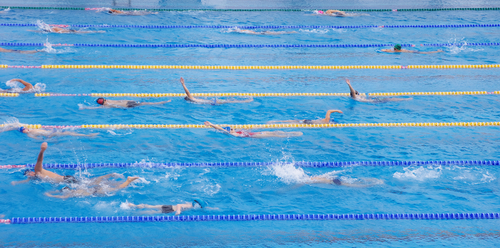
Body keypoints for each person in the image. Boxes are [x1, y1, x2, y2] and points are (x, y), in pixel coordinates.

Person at [10, 142, 114, 186]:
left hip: (67, 180)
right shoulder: (35, 177)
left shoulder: (37, 171)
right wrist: (16, 183)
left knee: (90, 184)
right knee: (90, 182)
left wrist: (42, 151)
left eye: (29, 174)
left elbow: (39, 162)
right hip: (66, 180)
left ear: (31, 172)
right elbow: (26, 180)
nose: (30, 175)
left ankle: (109, 177)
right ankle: (108, 177)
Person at [45, 176, 139, 199]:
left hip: (95, 191)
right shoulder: (74, 190)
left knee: (117, 189)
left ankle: (128, 180)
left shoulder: (71, 193)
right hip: (94, 189)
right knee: (115, 187)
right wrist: (50, 193)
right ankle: (127, 181)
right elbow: (60, 191)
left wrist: (50, 195)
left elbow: (62, 197)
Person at [180, 78, 253, 105]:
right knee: (229, 101)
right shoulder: (193, 99)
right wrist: (183, 84)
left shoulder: (194, 101)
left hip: (213, 102)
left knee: (229, 101)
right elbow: (188, 93)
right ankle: (246, 100)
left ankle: (246, 101)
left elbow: (188, 94)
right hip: (213, 101)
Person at [204, 121, 303, 138]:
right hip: (255, 136)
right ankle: (290, 135)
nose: (233, 128)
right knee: (274, 135)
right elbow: (221, 129)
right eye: (231, 128)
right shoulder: (234, 134)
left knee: (274, 132)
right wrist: (211, 124)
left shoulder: (236, 132)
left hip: (256, 133)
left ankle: (291, 132)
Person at [345, 79, 411, 103]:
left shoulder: (356, 98)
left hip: (373, 100)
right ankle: (405, 99)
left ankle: (404, 99)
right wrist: (349, 84)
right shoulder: (355, 97)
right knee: (390, 99)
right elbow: (353, 92)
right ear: (356, 93)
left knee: (390, 99)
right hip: (374, 101)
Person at [128, 199, 209, 215]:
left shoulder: (191, 204)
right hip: (170, 210)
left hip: (169, 206)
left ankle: (133, 205)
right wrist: (178, 211)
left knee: (151, 206)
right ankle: (135, 213)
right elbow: (179, 205)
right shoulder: (190, 205)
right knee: (153, 212)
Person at [267, 109, 343, 124]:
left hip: (308, 120)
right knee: (293, 123)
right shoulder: (327, 120)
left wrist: (337, 111)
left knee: (292, 121)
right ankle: (274, 122)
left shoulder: (326, 121)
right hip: (308, 122)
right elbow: (329, 111)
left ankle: (274, 121)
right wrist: (337, 110)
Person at [18, 126, 98, 139]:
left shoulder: (31, 129)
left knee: (68, 132)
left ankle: (86, 134)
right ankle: (87, 135)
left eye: (25, 128)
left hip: (50, 132)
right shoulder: (29, 135)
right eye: (23, 129)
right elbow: (38, 139)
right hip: (49, 134)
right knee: (68, 133)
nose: (26, 128)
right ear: (23, 132)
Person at [309, 174, 383, 187]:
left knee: (357, 185)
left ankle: (373, 183)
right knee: (355, 183)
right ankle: (374, 182)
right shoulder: (313, 177)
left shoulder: (308, 180)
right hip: (333, 179)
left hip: (334, 182)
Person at [92, 98, 171, 109]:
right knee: (144, 102)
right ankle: (159, 102)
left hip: (128, 104)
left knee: (144, 103)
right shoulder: (108, 101)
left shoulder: (106, 105)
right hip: (128, 102)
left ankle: (159, 103)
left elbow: (97, 108)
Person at [231, 29, 297, 35]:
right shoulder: (246, 31)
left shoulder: (246, 32)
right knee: (279, 33)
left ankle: (291, 32)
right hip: (263, 32)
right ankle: (291, 32)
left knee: (278, 33)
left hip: (263, 33)